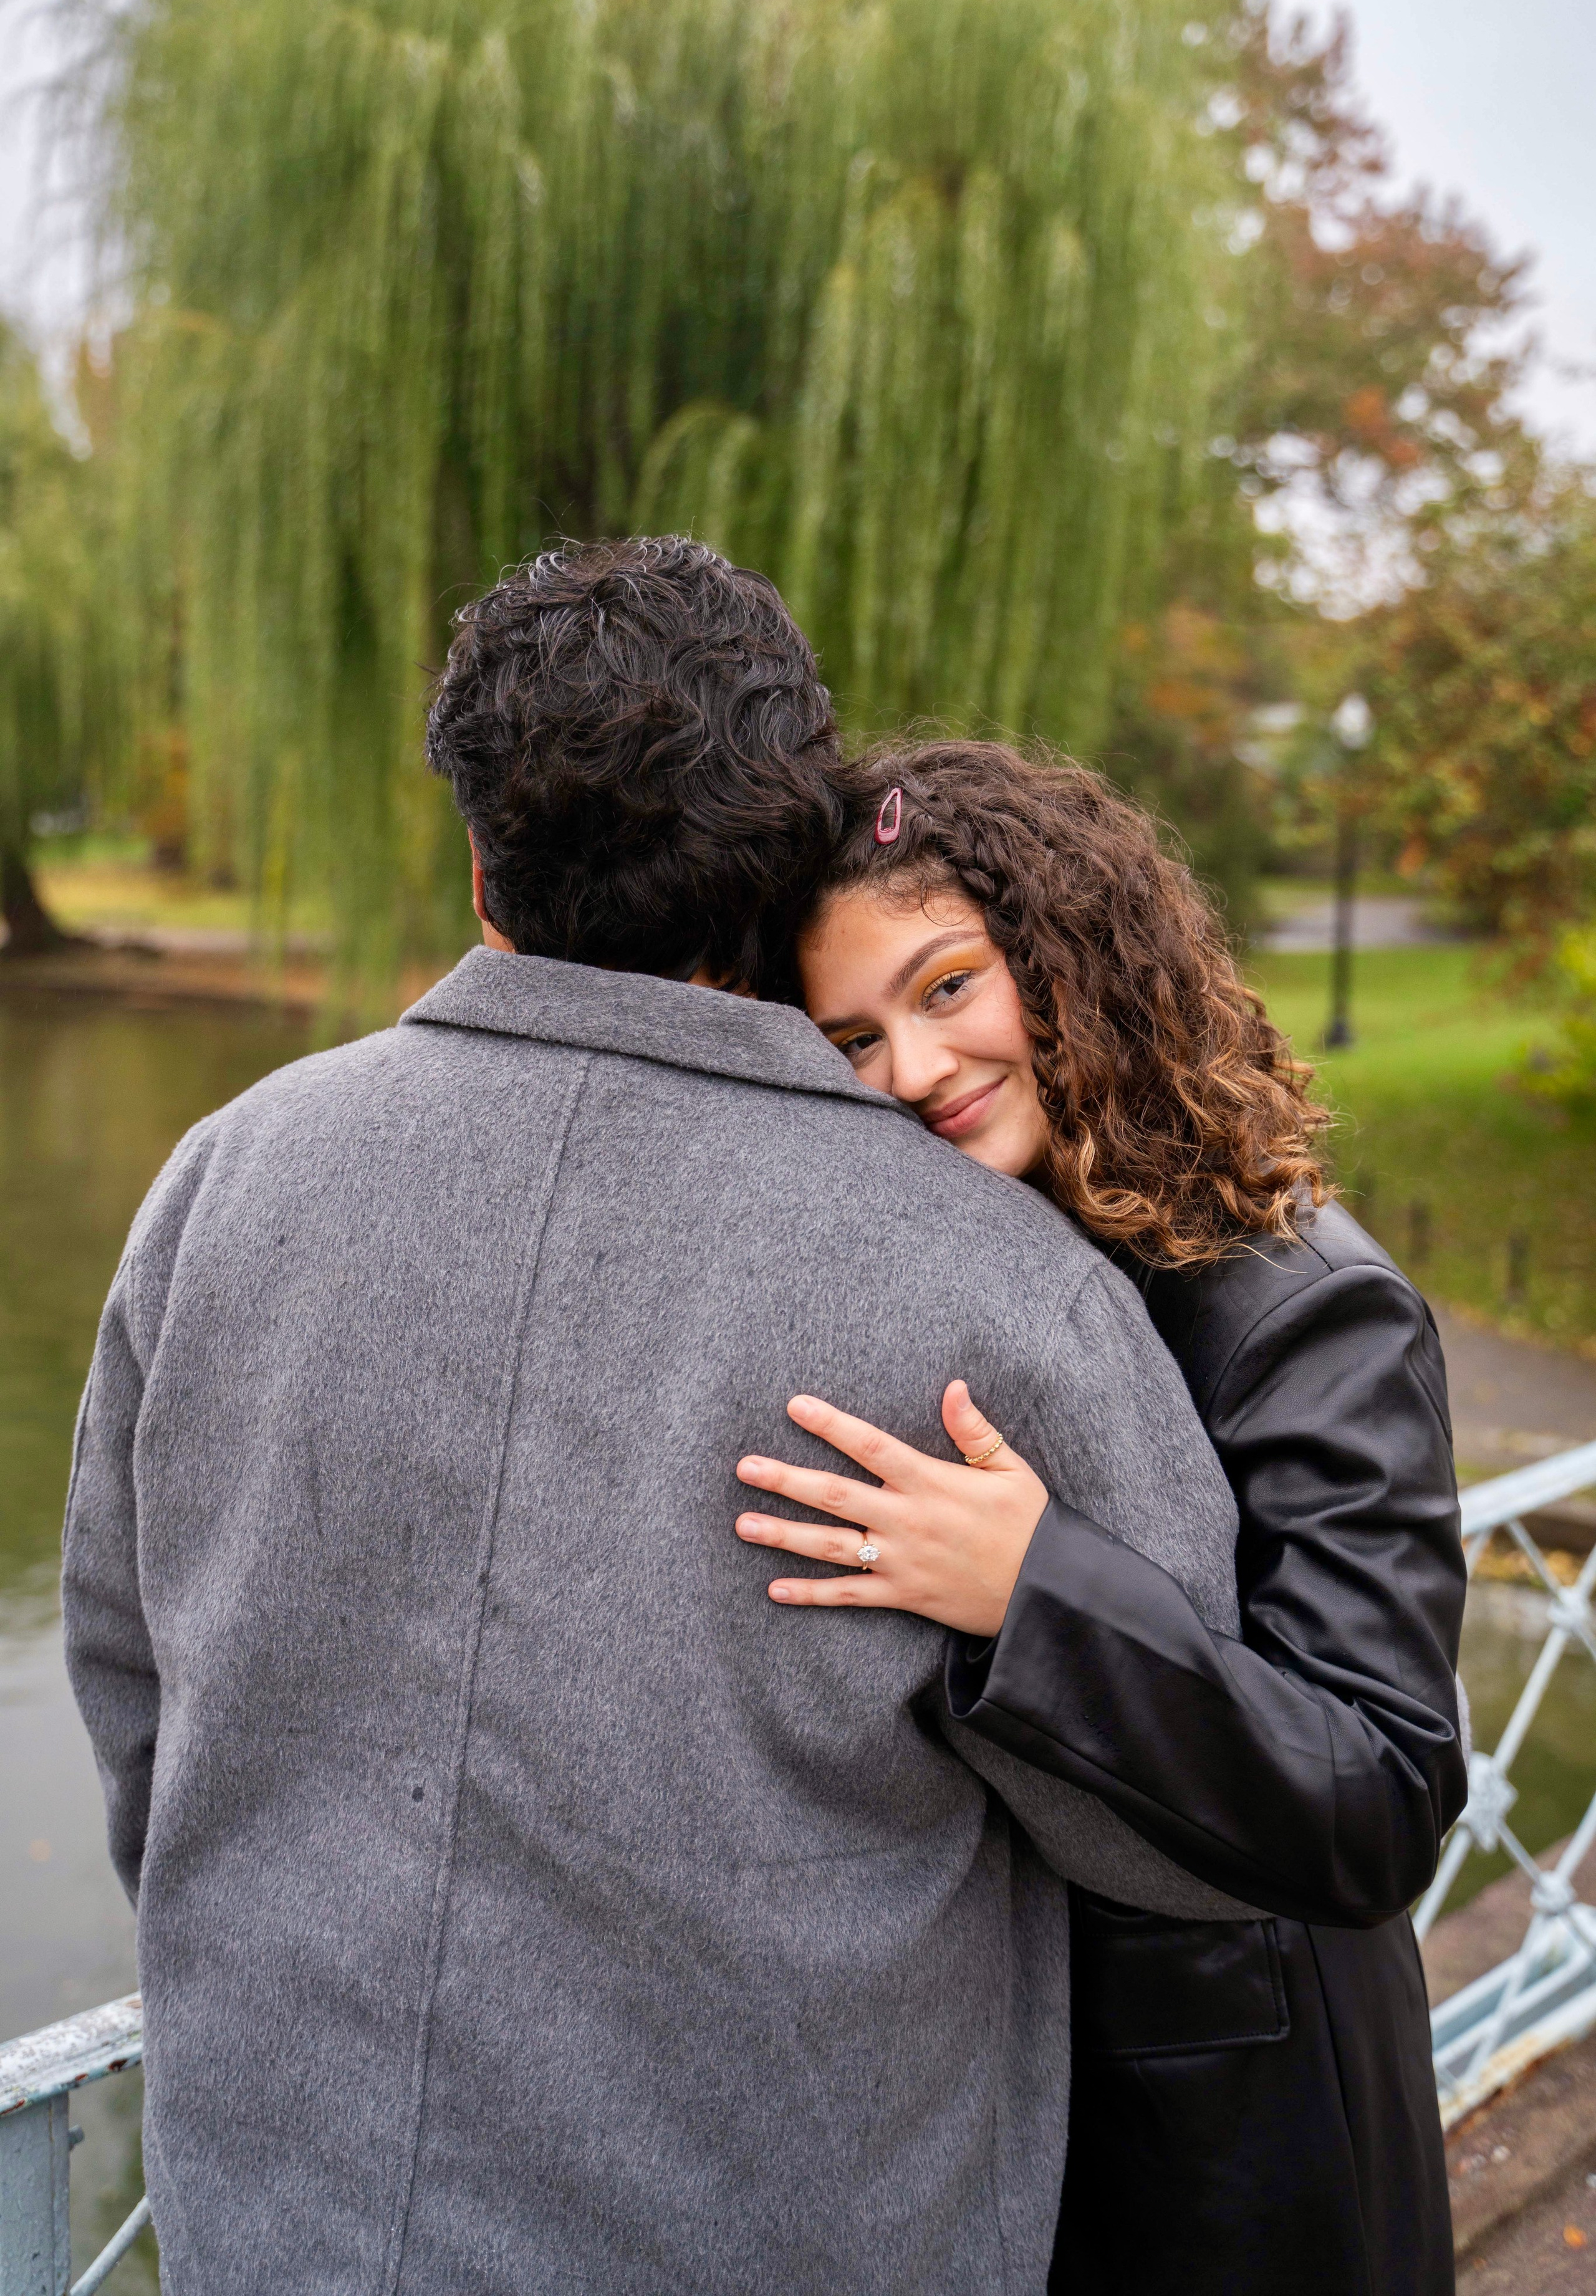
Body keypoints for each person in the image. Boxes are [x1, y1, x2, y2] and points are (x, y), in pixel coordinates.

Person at [63, 542, 1258, 2296]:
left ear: (482, 867)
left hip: (287, 2219)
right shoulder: (1004, 1286)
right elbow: (1183, 1825)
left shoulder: (220, 1184)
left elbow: (133, 1695)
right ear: (789, 858)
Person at [734, 740, 1466, 2296]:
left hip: (1234, 2135)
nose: (915, 1070)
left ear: (1075, 957)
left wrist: (1031, 1587)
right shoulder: (951, 1267)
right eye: (850, 1038)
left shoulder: (1304, 1311)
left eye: (946, 989)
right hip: (987, 2111)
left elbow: (1379, 1793)